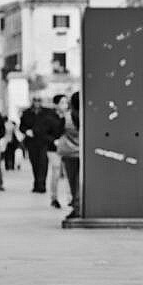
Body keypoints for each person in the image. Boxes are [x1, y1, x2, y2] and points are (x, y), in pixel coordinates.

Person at [19, 96, 60, 193]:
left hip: (44, 141)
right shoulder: (26, 113)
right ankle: (37, 183)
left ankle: (42, 184)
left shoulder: (48, 112)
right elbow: (21, 126)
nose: (37, 102)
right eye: (35, 100)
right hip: (31, 142)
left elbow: (54, 126)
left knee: (43, 163)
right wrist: (26, 131)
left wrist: (51, 137)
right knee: (34, 163)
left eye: (39, 100)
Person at [55, 90, 81, 219]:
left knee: (72, 180)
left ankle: (76, 206)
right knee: (82, 181)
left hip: (69, 153)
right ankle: (80, 205)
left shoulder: (67, 117)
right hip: (84, 153)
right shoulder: (88, 117)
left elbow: (58, 132)